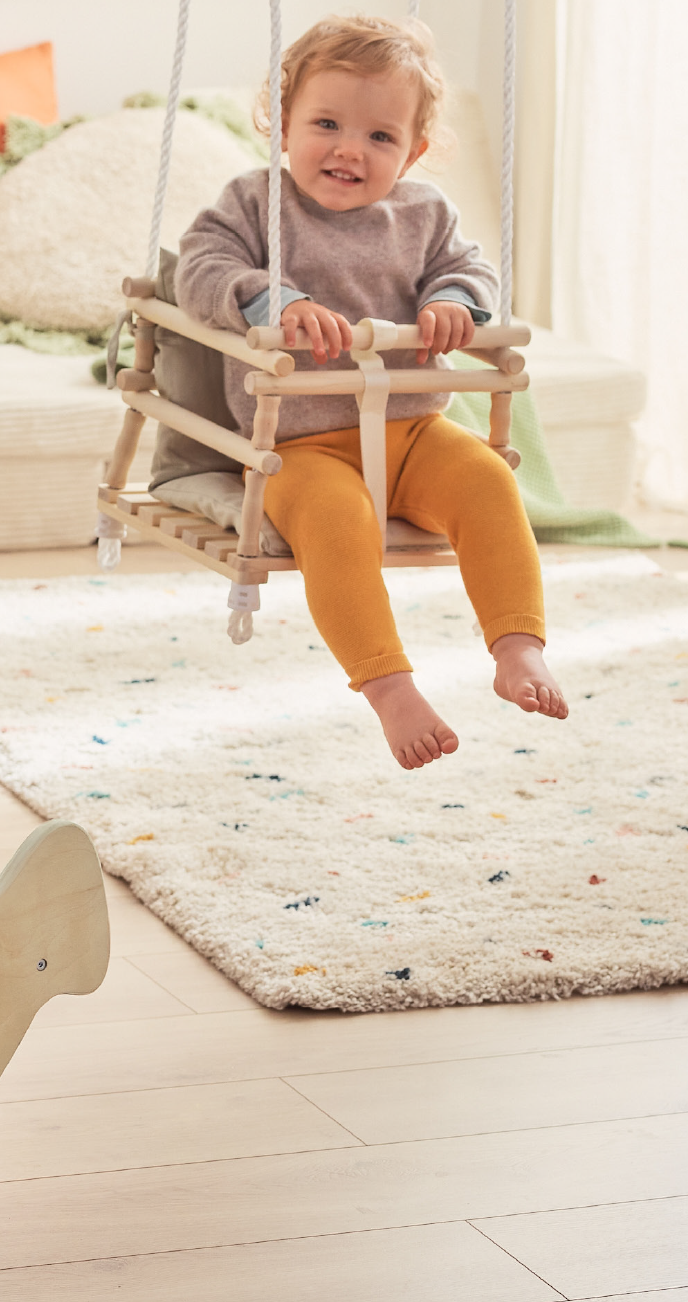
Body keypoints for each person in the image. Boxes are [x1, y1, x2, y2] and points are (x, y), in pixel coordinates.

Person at [175, 12, 568, 770]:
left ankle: (518, 644)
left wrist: (456, 300)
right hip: (299, 440)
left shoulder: (426, 214)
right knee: (334, 521)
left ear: (414, 151)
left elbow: (473, 270)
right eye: (326, 123)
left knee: (489, 479)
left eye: (381, 137)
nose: (350, 149)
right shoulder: (256, 203)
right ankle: (389, 687)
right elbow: (200, 268)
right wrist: (271, 300)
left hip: (413, 429)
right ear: (280, 122)